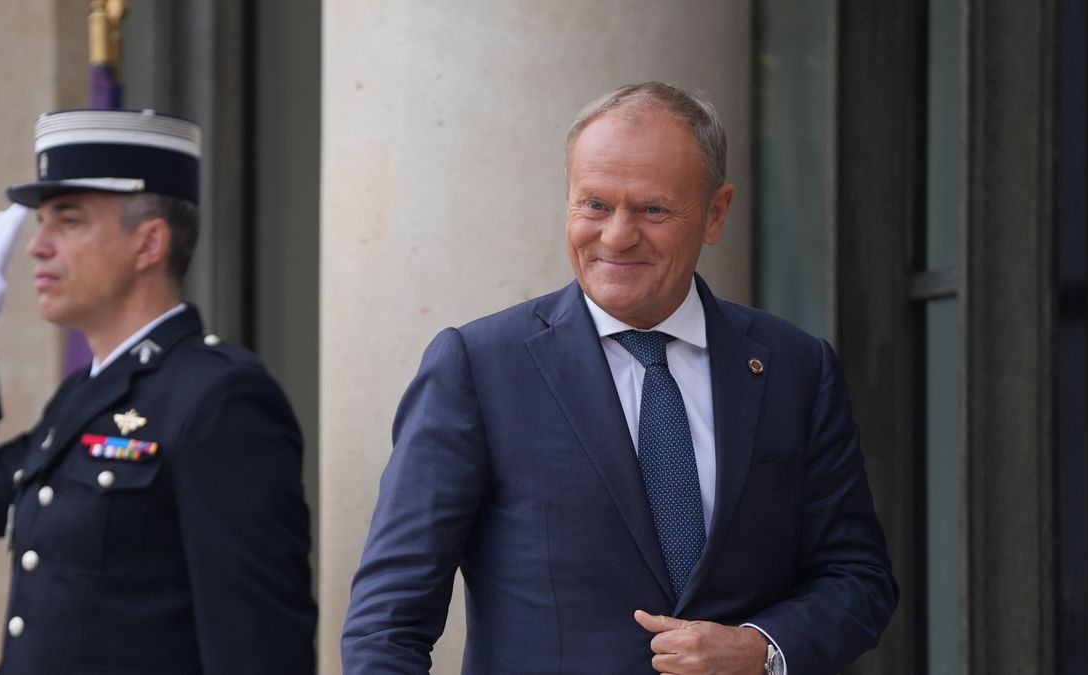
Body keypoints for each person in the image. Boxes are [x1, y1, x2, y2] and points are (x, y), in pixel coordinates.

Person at [342, 82, 898, 674]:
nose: (616, 236)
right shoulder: (479, 368)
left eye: (652, 209)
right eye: (595, 205)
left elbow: (857, 577)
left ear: (715, 213)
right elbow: (388, 621)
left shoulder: (795, 367)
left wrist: (761, 648)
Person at [0, 109, 317, 674]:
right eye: (41, 223)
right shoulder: (84, 397)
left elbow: (257, 648)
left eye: (68, 221)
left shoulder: (219, 399)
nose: (37, 247)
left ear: (149, 244)